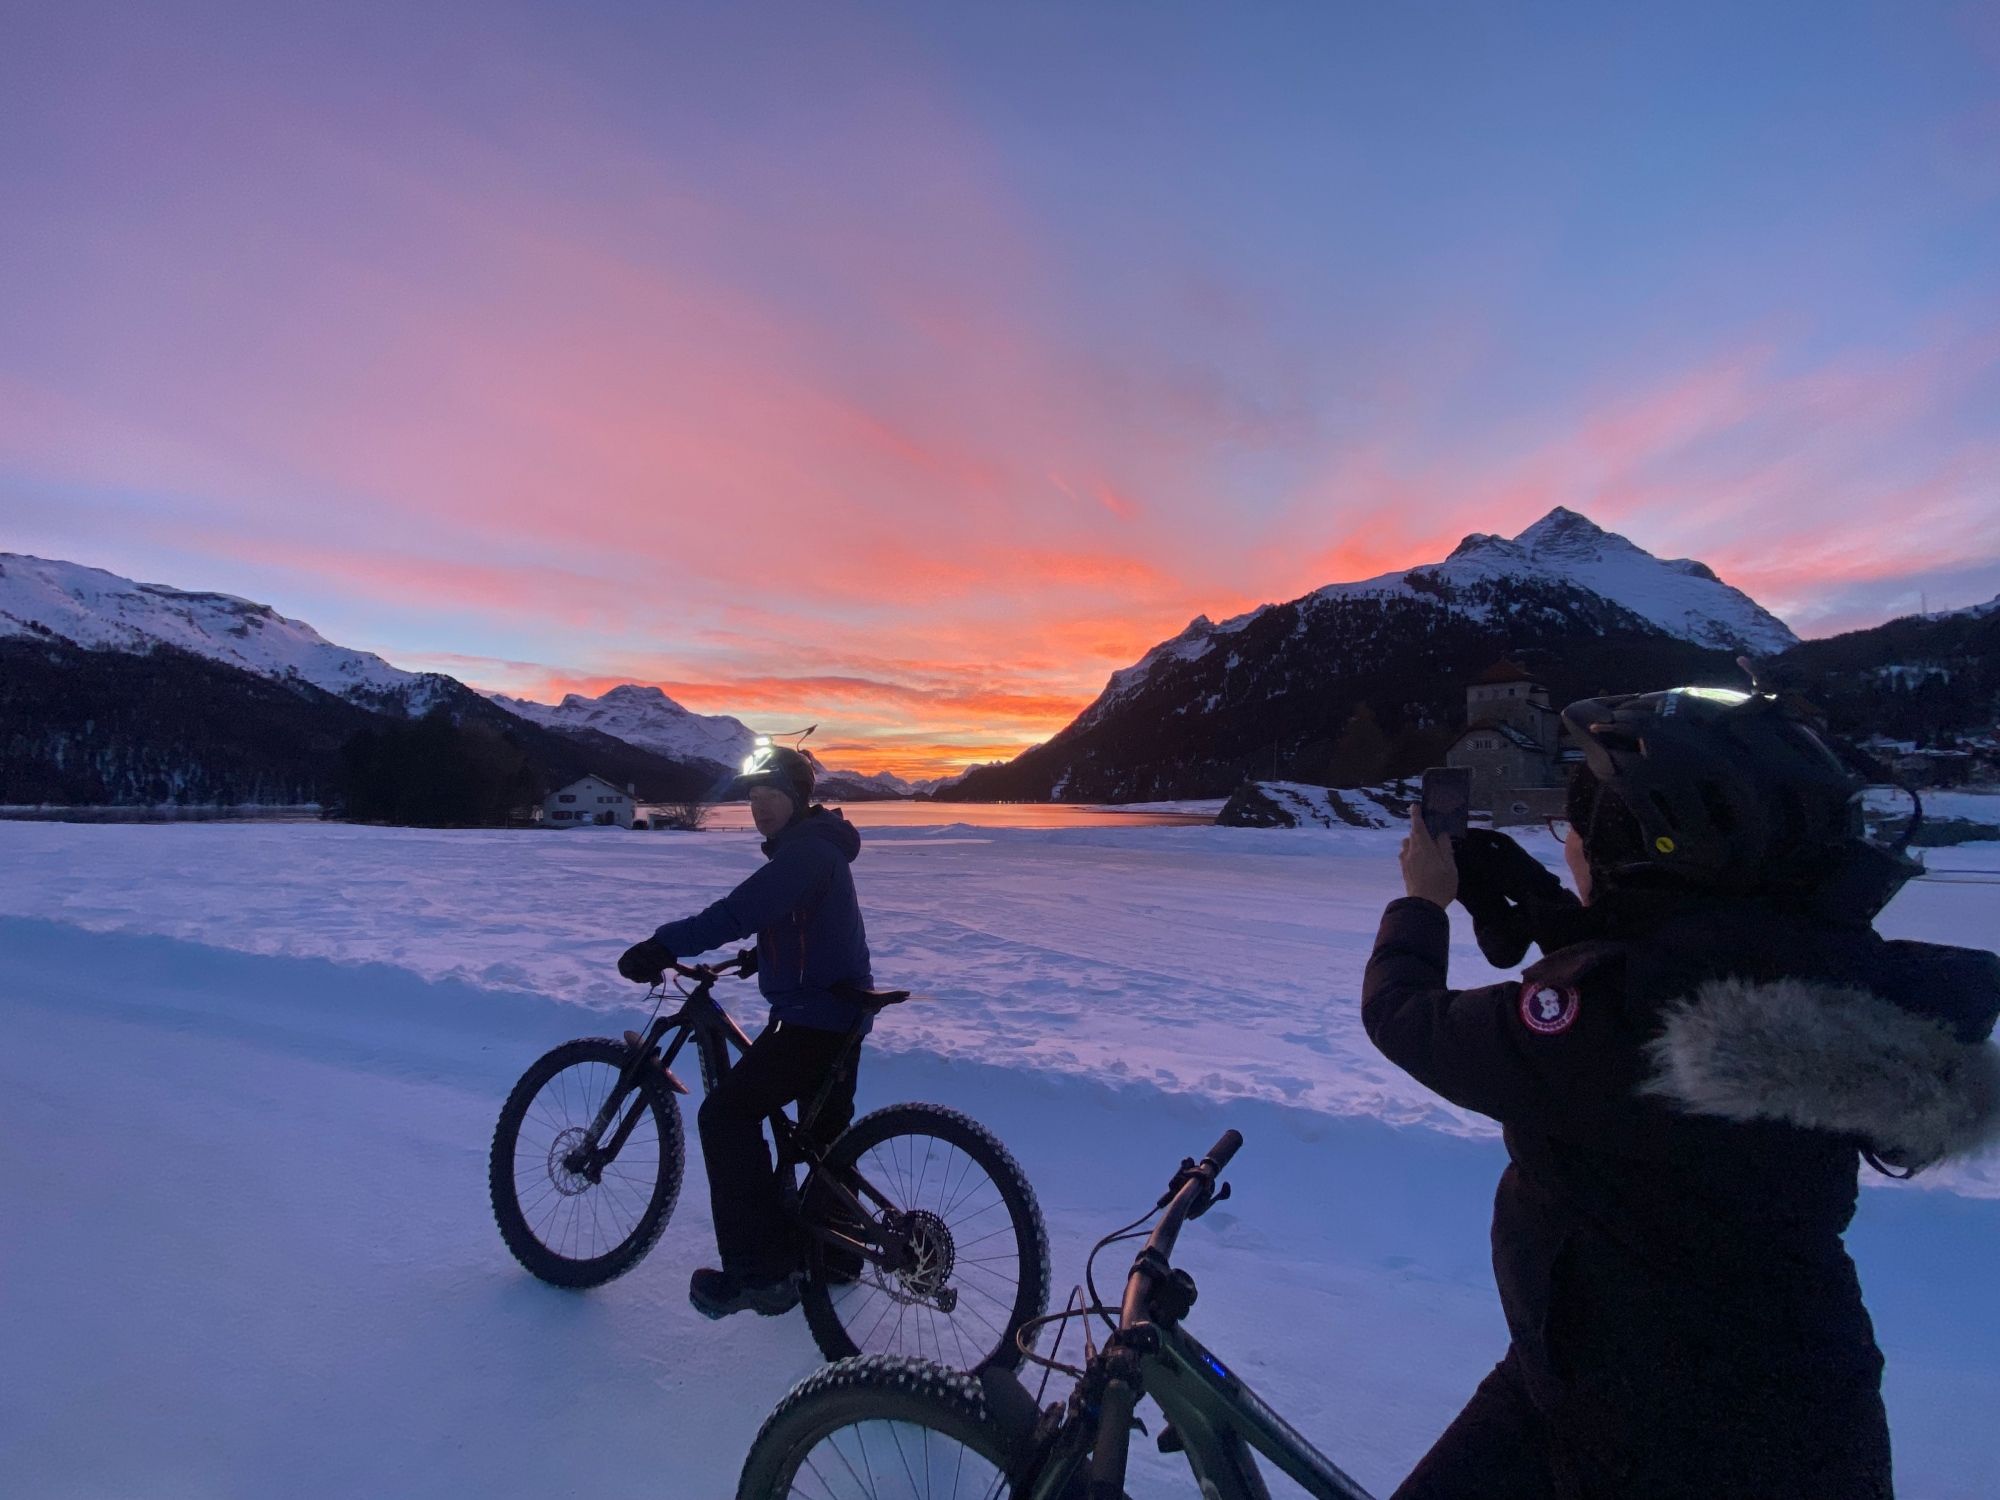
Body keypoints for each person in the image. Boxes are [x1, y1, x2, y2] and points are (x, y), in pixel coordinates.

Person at [1362, 685, 2000, 1499]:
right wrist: (1556, 912)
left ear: (1641, 845)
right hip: (1756, 1406)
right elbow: (1686, 964)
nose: (1570, 848)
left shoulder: (1616, 1026)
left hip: (1650, 1434)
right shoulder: (1821, 985)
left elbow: (1405, 1018)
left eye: (1579, 829)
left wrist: (1420, 903)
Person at [616, 741, 875, 1320]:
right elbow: (799, 920)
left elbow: (737, 913)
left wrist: (663, 945)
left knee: (725, 1116)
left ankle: (760, 1274)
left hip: (817, 1020)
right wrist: (764, 957)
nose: (759, 806)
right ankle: (837, 1255)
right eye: (753, 796)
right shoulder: (815, 850)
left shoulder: (803, 855)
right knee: (822, 1142)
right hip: (836, 1012)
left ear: (797, 799)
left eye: (771, 795)